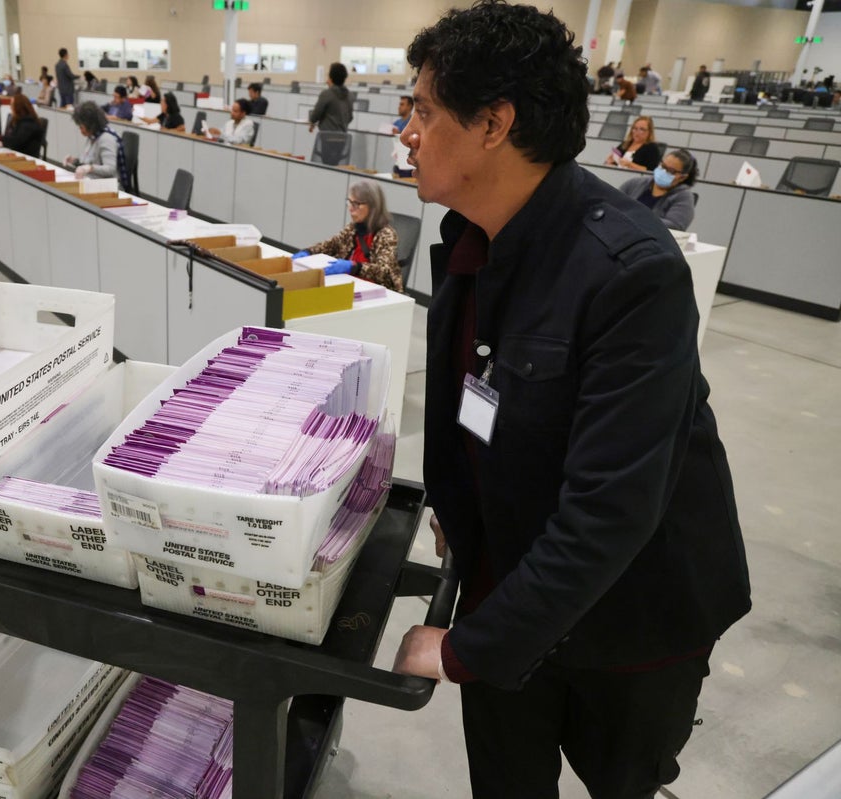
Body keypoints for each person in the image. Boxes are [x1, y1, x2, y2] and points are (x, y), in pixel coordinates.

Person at [390, 5, 750, 799]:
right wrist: (464, 509)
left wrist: (461, 648)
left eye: (424, 111)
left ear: (494, 124)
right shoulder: (471, 240)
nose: (406, 133)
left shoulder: (629, 271)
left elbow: (612, 511)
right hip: (510, 581)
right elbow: (476, 407)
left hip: (631, 620)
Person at [292, 180, 402, 292]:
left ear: (373, 206)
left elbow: (384, 271)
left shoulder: (386, 234)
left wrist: (353, 267)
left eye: (356, 204)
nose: (350, 208)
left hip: (375, 291)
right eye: (350, 202)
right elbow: (331, 244)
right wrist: (308, 252)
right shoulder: (353, 228)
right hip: (348, 282)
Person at [619, 149, 698, 231]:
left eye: (671, 171)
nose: (663, 172)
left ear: (682, 177)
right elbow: (613, 203)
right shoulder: (635, 183)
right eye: (663, 166)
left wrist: (639, 219)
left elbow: (675, 225)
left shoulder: (683, 197)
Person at [64, 102, 129, 187]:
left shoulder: (106, 139)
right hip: (92, 181)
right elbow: (88, 162)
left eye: (81, 127)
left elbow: (110, 169)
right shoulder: (92, 137)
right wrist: (74, 161)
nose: (80, 130)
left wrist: (90, 168)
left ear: (91, 125)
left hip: (107, 186)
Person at [308, 62, 354, 133]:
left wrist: (312, 121)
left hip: (327, 136)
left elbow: (316, 115)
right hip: (343, 136)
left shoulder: (327, 94)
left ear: (331, 77)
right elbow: (350, 118)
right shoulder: (350, 95)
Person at [1, 94, 46, 158]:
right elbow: (9, 138)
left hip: (26, 158)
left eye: (12, 105)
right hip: (16, 154)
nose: (10, 107)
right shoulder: (17, 120)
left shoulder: (29, 124)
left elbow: (16, 142)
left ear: (18, 108)